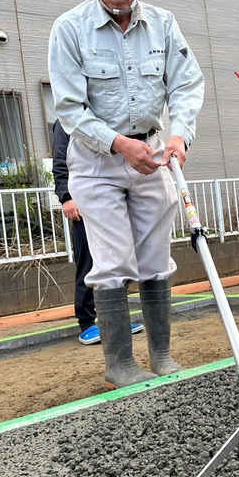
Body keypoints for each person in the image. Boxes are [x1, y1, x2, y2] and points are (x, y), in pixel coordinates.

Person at [48, 0, 204, 389]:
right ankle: (118, 362)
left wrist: (179, 136)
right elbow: (70, 110)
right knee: (113, 258)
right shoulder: (70, 29)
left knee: (156, 257)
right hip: (97, 161)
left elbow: (187, 84)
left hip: (153, 154)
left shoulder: (164, 24)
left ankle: (161, 354)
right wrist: (118, 144)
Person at [52, 119, 144, 344]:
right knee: (88, 261)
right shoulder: (68, 121)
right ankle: (87, 323)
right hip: (84, 198)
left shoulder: (107, 116)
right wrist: (66, 197)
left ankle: (117, 318)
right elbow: (60, 160)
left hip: (110, 197)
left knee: (117, 258)